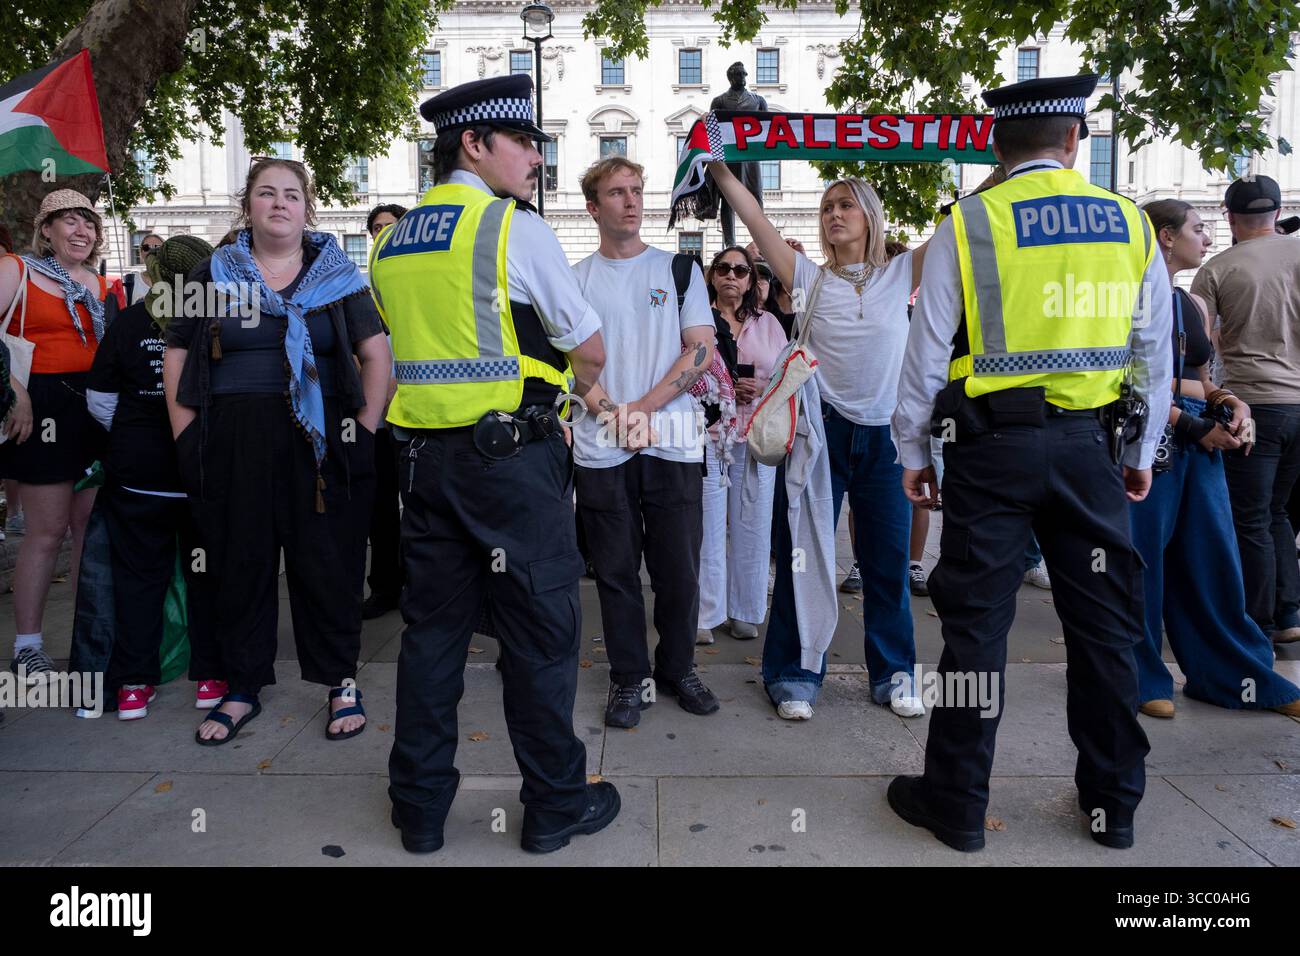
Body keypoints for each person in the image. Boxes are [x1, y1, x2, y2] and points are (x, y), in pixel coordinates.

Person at [889, 73, 1172, 852]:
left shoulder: (970, 222)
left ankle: (956, 804)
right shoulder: (1130, 223)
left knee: (976, 634)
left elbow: (922, 358)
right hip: (1090, 451)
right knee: (1106, 632)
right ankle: (1114, 807)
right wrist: (1141, 453)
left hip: (991, 454)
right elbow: (1155, 351)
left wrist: (915, 454)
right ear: (1074, 139)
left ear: (995, 144)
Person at [370, 75, 618, 855]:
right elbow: (591, 347)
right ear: (474, 145)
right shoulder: (512, 227)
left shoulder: (389, 240)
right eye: (524, 143)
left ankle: (418, 810)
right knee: (542, 635)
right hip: (511, 465)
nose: (537, 160)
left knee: (433, 637)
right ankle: (552, 808)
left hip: (423, 467)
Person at [164, 158, 390, 745]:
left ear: (306, 208)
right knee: (240, 564)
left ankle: (341, 679)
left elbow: (377, 357)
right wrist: (187, 439)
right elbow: (178, 358)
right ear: (249, 205)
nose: (279, 204)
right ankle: (241, 687)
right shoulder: (210, 276)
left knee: (329, 563)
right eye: (267, 193)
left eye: (291, 194)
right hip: (234, 439)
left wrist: (362, 433)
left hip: (322, 444)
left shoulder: (340, 277)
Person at [709, 163, 930, 720]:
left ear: (870, 217)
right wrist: (717, 165)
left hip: (886, 441)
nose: (833, 214)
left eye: (845, 205)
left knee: (886, 566)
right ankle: (792, 674)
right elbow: (753, 218)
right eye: (827, 206)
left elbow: (961, 224)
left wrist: (1012, 167)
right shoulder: (807, 277)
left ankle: (895, 674)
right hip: (819, 435)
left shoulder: (902, 272)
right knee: (801, 559)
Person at [1128, 199, 1300, 719]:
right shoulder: (1124, 296)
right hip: (1149, 436)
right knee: (1142, 562)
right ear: (1164, 236)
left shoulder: (1189, 301)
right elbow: (1129, 379)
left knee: (1212, 558)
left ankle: (1234, 673)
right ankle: (1140, 676)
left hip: (1195, 441)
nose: (1207, 237)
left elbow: (1201, 379)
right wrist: (1194, 424)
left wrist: (1231, 403)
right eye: (1198, 229)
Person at [570, 155, 720, 727]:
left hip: (672, 441)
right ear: (593, 206)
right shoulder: (576, 279)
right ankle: (629, 678)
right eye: (616, 192)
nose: (630, 201)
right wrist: (613, 415)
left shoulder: (679, 269)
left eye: (636, 189)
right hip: (602, 447)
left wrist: (643, 410)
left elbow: (701, 350)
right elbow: (573, 366)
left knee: (679, 570)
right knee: (614, 572)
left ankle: (678, 667)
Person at [86, 236, 221, 718]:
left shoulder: (128, 321)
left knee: (139, 580)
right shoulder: (217, 319)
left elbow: (99, 401)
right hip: (201, 472)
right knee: (205, 575)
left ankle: (133, 687)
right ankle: (211, 677)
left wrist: (132, 432)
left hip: (137, 474)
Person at [0, 189, 112, 682]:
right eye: (67, 221)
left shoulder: (105, 286)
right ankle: (27, 646)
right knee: (46, 533)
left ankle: (89, 640)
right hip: (37, 404)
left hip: (92, 409)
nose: (80, 231)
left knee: (88, 528)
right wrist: (14, 392)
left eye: (87, 222)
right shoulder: (16, 271)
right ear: (45, 230)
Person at [1190, 175, 1300, 643]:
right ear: (1277, 213)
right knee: (1279, 513)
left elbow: (1196, 347)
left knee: (1250, 517)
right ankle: (1289, 614)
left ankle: (1258, 623)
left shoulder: (1215, 269)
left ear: (1230, 218)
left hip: (1252, 406)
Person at [696, 246, 786, 645]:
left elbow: (788, 378)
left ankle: (745, 609)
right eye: (723, 268)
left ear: (751, 280)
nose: (731, 275)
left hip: (755, 437)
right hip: (709, 437)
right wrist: (722, 387)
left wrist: (761, 387)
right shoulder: (697, 322)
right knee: (708, 525)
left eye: (741, 270)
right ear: (712, 276)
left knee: (752, 522)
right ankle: (704, 612)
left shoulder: (769, 324)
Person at [360, 202, 409, 620]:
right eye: (376, 229)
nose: (381, 235)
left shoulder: (417, 286)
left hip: (413, 419)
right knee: (379, 511)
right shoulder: (364, 294)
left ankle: (416, 584)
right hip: (377, 421)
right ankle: (385, 586)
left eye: (389, 228)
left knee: (418, 509)